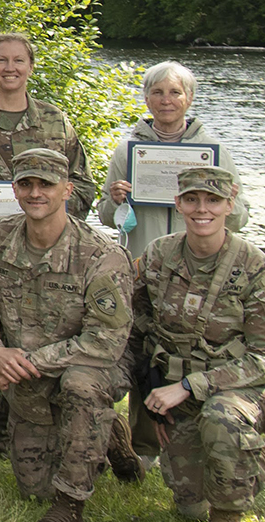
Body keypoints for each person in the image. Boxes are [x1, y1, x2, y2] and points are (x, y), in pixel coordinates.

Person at [0, 149, 133, 522]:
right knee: (33, 487)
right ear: (13, 189)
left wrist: (32, 360)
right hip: (22, 373)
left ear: (66, 189)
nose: (35, 193)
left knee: (82, 388)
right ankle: (109, 432)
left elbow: (107, 340)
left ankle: (70, 508)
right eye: (26, 184)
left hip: (88, 366)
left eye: (45, 184)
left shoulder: (101, 255)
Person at [0, 31, 99, 476]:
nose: (10, 68)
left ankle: (13, 432)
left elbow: (82, 186)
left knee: (30, 344)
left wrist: (50, 212)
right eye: (1, 60)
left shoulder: (55, 122)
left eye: (18, 61)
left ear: (30, 66)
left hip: (42, 259)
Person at [134, 167, 265, 522]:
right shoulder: (159, 255)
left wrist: (189, 387)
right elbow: (137, 323)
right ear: (178, 204)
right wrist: (156, 394)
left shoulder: (255, 268)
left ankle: (227, 521)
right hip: (182, 387)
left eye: (213, 200)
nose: (202, 209)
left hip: (249, 386)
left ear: (230, 204)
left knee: (221, 418)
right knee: (190, 503)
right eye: (192, 200)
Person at [96, 59, 251, 464]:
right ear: (146, 98)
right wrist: (115, 200)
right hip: (142, 268)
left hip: (201, 272)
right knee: (143, 351)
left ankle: (194, 439)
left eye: (175, 92)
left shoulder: (213, 153)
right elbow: (104, 217)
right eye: (157, 92)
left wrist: (220, 204)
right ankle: (142, 447)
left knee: (189, 350)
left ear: (190, 98)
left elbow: (242, 215)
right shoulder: (129, 151)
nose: (166, 100)